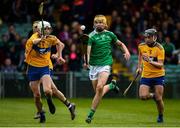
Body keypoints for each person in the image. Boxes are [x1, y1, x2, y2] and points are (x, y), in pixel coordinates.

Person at [25, 21, 75, 123]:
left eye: (49, 28)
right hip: (33, 68)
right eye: (45, 28)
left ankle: (51, 101)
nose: (48, 30)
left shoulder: (51, 38)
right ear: (38, 29)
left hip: (45, 67)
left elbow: (60, 44)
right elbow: (34, 42)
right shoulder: (32, 38)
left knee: (49, 90)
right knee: (37, 95)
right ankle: (41, 112)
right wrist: (41, 39)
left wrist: (59, 55)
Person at [84, 15, 131, 123]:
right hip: (93, 66)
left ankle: (90, 115)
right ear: (93, 24)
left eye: (101, 22)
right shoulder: (91, 36)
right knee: (97, 91)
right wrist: (86, 62)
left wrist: (126, 51)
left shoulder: (110, 34)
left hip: (105, 64)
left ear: (105, 24)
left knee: (100, 87)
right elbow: (87, 52)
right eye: (96, 22)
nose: (99, 24)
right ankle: (111, 85)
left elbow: (120, 44)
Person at [136, 28, 165, 123]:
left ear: (154, 37)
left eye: (149, 37)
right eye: (145, 37)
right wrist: (139, 67)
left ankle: (160, 115)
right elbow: (140, 56)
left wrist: (150, 61)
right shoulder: (141, 46)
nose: (146, 39)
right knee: (142, 96)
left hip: (158, 76)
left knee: (159, 99)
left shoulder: (160, 48)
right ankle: (153, 95)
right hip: (146, 75)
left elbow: (160, 65)